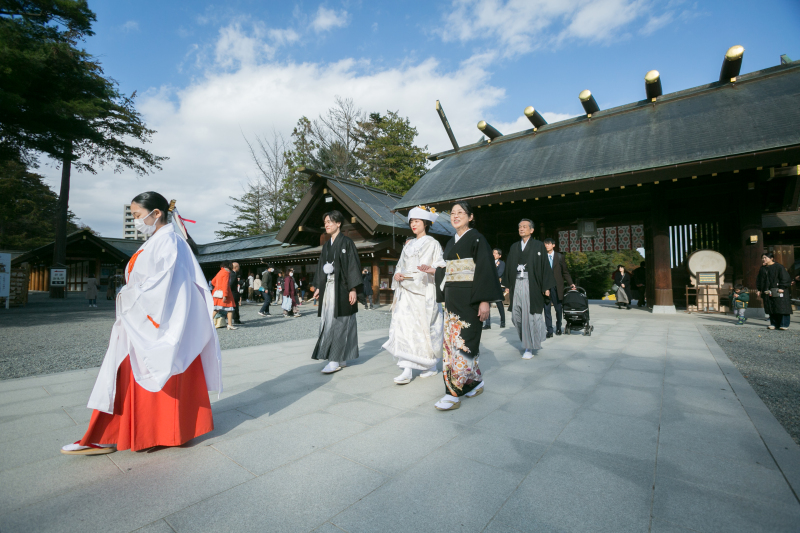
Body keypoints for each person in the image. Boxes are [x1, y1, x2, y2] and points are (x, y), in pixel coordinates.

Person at [61, 192, 222, 455]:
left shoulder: (169, 242)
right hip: (143, 319)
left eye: (137, 215)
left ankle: (109, 435)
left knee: (125, 373)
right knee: (125, 374)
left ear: (156, 213)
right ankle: (118, 433)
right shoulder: (158, 241)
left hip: (154, 321)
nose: (135, 220)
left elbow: (166, 285)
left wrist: (128, 295)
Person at [422, 201, 502, 411]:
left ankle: (453, 393)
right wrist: (435, 271)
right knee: (452, 344)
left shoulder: (477, 239)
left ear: (470, 217)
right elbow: (448, 271)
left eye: (460, 213)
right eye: (452, 213)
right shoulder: (450, 242)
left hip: (470, 300)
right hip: (452, 301)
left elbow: (485, 271)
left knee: (465, 343)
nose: (455, 216)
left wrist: (484, 300)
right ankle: (475, 382)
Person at [383, 206, 444, 384]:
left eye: (417, 221)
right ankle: (407, 368)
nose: (413, 224)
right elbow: (400, 265)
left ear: (425, 223)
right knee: (404, 328)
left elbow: (440, 265)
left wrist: (431, 270)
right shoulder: (408, 245)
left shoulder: (433, 243)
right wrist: (397, 275)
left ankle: (429, 365)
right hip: (406, 292)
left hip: (423, 291)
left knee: (423, 329)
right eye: (411, 221)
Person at [312, 210, 364, 373]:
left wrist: (353, 288)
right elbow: (321, 267)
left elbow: (352, 266)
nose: (326, 225)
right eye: (325, 222)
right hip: (329, 287)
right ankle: (340, 358)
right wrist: (319, 286)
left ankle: (334, 360)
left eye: (329, 222)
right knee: (330, 321)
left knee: (341, 322)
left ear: (338, 223)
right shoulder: (327, 245)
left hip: (342, 288)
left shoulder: (347, 242)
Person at [502, 219, 555, 359]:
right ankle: (529, 339)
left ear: (532, 230)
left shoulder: (538, 246)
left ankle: (528, 347)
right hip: (516, 283)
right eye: (519, 226)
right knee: (516, 315)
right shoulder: (514, 247)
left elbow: (544, 266)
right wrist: (507, 285)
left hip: (531, 285)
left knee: (528, 316)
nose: (521, 229)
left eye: (525, 227)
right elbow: (509, 267)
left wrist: (546, 287)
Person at [543, 238, 574, 337]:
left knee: (558, 309)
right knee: (547, 309)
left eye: (548, 244)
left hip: (557, 287)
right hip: (546, 287)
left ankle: (559, 327)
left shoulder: (560, 257)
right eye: (545, 244)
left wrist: (571, 283)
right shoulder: (542, 257)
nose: (546, 245)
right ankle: (549, 330)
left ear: (553, 245)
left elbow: (565, 272)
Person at [757, 252, 792, 330]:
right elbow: (759, 280)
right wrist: (759, 289)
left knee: (782, 307)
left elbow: (785, 277)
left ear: (771, 258)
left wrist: (782, 287)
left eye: (765, 257)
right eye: (762, 258)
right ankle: (773, 323)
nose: (763, 259)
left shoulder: (779, 267)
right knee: (771, 307)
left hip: (779, 290)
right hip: (768, 290)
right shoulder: (763, 268)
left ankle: (784, 324)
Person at [483, 248, 506, 329]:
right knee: (487, 305)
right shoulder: (488, 263)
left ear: (499, 256)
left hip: (497, 287)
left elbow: (499, 274)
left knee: (499, 304)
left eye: (496, 253)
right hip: (488, 286)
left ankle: (503, 322)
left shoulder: (502, 263)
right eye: (493, 252)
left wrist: (495, 267)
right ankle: (487, 324)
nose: (493, 254)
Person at [212, 261, 237, 330]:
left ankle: (208, 323)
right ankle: (230, 324)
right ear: (229, 265)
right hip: (225, 293)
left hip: (217, 293)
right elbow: (225, 284)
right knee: (230, 309)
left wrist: (218, 287)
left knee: (217, 308)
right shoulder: (227, 272)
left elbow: (213, 281)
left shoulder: (220, 272)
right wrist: (225, 295)